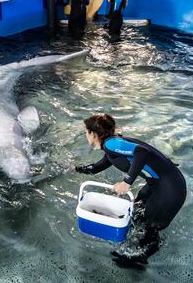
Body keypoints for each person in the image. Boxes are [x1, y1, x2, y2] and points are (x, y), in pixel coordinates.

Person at [76, 114, 187, 267]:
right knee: (138, 209)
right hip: (161, 184)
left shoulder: (111, 144)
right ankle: (137, 241)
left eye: (86, 132)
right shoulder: (112, 145)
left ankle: (140, 259)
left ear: (93, 134)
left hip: (170, 189)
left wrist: (127, 182)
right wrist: (76, 169)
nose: (85, 136)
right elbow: (98, 166)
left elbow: (142, 152)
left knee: (151, 227)